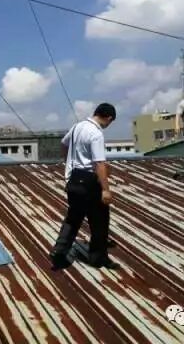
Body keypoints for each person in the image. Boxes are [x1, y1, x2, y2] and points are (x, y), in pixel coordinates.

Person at [50, 103, 120, 270]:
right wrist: (105, 190)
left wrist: (67, 163)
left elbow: (63, 144)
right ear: (109, 118)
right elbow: (99, 164)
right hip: (90, 181)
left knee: (73, 218)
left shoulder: (78, 127)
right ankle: (98, 258)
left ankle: (59, 252)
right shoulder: (96, 133)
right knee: (99, 220)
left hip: (74, 178)